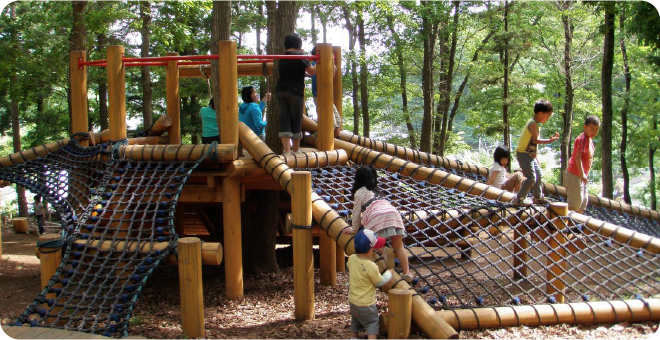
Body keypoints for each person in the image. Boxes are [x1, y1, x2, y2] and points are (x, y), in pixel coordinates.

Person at [345, 166, 414, 282]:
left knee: (374, 243)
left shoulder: (359, 192)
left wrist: (353, 229)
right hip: (393, 213)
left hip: (377, 216)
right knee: (399, 245)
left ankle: (389, 264)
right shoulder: (377, 191)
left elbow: (356, 213)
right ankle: (407, 272)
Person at [347, 229, 393, 340]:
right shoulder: (371, 266)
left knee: (355, 321)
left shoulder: (351, 258)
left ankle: (353, 338)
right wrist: (389, 274)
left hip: (353, 301)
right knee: (372, 323)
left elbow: (349, 266)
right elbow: (379, 281)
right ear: (370, 250)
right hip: (366, 304)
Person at [513, 99, 560, 206]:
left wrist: (535, 155)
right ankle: (519, 198)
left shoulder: (535, 124)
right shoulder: (533, 124)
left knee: (539, 174)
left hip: (530, 155)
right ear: (540, 113)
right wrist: (550, 140)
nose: (548, 118)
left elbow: (532, 143)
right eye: (547, 115)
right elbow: (537, 140)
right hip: (523, 154)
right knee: (531, 178)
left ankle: (537, 197)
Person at [275, 33, 316, 154]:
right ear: (299, 46)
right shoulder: (300, 56)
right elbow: (312, 71)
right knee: (296, 119)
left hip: (280, 90)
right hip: (295, 91)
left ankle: (287, 151)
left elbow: (295, 72)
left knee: (284, 119)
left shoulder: (282, 57)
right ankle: (296, 149)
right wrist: (321, 62)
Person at [565, 115, 600, 213]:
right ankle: (566, 224)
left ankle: (576, 225)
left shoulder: (589, 139)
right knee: (575, 203)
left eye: (596, 130)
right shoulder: (582, 139)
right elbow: (578, 157)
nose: (594, 132)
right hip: (575, 174)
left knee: (583, 202)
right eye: (592, 129)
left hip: (582, 176)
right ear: (585, 127)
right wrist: (582, 173)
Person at [310, 46, 341, 138]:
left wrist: (331, 61)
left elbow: (333, 75)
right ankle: (323, 136)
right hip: (319, 95)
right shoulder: (315, 64)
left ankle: (337, 136)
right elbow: (312, 72)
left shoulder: (329, 65)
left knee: (336, 117)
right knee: (327, 117)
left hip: (327, 96)